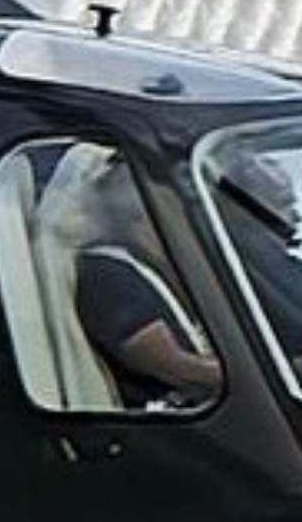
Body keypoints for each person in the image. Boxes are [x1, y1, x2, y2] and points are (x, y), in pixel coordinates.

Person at [64, 158, 224, 411]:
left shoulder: (161, 268)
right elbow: (172, 365)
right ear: (139, 217)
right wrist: (243, 376)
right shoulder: (108, 273)